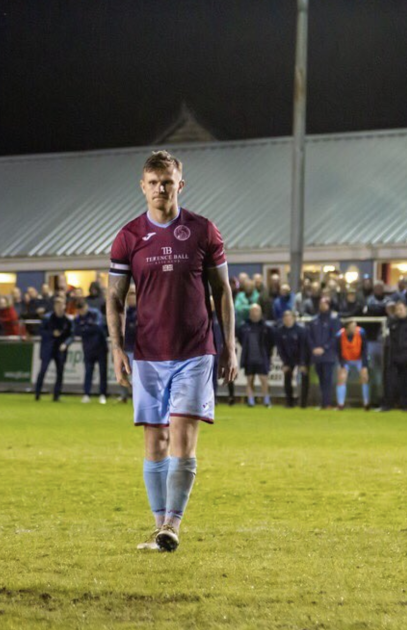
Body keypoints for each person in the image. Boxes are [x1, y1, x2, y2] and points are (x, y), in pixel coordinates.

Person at [106, 150, 237, 553]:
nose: (161, 188)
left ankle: (172, 526)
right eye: (153, 182)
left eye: (168, 182)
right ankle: (159, 524)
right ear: (142, 187)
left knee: (182, 436)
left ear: (180, 184)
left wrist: (229, 345)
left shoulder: (203, 231)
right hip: (148, 354)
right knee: (155, 442)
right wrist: (117, 348)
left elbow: (222, 291)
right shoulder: (128, 237)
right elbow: (115, 297)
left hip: (196, 351)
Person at [34, 298, 72, 402]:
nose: (59, 307)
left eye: (61, 305)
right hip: (48, 348)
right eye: (57, 305)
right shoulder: (48, 318)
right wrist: (52, 334)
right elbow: (41, 331)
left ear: (64, 306)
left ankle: (57, 395)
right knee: (43, 370)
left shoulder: (67, 320)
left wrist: (65, 344)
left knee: (60, 372)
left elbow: (71, 335)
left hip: (60, 349)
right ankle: (37, 393)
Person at [237, 304, 275, 408]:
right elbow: (241, 339)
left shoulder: (266, 327)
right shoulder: (244, 326)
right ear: (250, 313)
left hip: (262, 357)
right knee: (250, 380)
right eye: (253, 311)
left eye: (257, 311)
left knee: (264, 379)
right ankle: (250, 400)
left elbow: (271, 341)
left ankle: (266, 400)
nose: (255, 313)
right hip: (249, 357)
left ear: (260, 312)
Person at [308, 296, 342, 409]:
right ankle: (323, 402)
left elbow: (335, 337)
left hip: (329, 355)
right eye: (321, 303)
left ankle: (326, 403)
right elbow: (309, 336)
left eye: (325, 303)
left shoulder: (334, 319)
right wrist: (314, 348)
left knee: (327, 379)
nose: (322, 305)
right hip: (317, 355)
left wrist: (324, 348)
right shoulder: (314, 320)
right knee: (321, 379)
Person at [74, 298, 108, 404]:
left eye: (82, 309)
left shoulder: (95, 313)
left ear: (86, 307)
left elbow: (98, 327)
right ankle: (86, 394)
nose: (81, 312)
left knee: (103, 372)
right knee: (88, 372)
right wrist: (88, 328)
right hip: (88, 348)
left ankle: (102, 394)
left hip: (101, 347)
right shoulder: (78, 319)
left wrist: (85, 328)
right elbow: (77, 331)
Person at [276, 310, 307, 408]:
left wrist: (302, 363)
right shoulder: (280, 331)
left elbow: (303, 347)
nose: (287, 320)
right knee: (287, 379)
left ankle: (303, 403)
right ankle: (289, 402)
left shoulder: (301, 330)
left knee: (304, 378)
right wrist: (285, 363)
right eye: (285, 318)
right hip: (288, 359)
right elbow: (280, 349)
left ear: (293, 318)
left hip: (300, 357)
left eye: (289, 318)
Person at [336, 320, 370, 410]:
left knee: (364, 377)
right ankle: (340, 404)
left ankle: (366, 403)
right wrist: (342, 365)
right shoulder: (339, 335)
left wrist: (364, 365)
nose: (354, 329)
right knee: (341, 377)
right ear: (346, 328)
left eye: (355, 326)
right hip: (346, 359)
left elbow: (364, 349)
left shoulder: (361, 333)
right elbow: (338, 352)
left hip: (358, 358)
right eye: (352, 327)